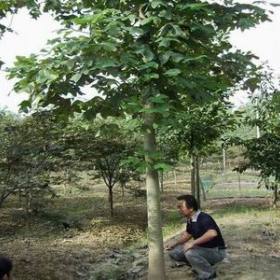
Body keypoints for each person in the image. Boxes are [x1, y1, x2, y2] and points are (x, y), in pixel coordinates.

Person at [166, 194, 226, 280]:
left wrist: (192, 243)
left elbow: (212, 233)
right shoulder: (190, 219)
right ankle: (199, 265)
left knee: (190, 252)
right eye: (178, 207)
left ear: (191, 208)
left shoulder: (204, 218)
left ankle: (208, 273)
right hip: (203, 249)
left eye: (181, 207)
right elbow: (188, 234)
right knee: (174, 252)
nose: (179, 209)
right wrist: (174, 243)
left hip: (216, 252)